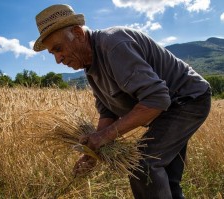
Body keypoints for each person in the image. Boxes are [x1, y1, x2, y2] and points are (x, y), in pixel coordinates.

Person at [33, 4, 211, 199]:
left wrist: (105, 136)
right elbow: (108, 112)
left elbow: (157, 98)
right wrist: (92, 152)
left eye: (58, 49)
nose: (58, 59)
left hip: (188, 99)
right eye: (53, 53)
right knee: (165, 177)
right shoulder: (91, 67)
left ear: (77, 33)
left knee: (142, 165)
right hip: (168, 110)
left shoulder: (114, 45)